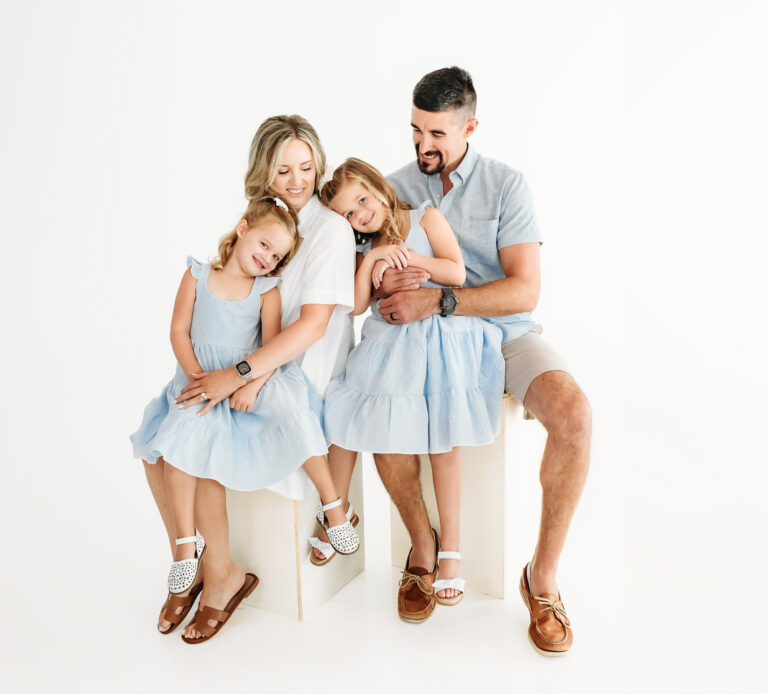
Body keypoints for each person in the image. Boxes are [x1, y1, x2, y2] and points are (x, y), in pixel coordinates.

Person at [375, 67, 591, 653]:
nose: (423, 145)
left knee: (573, 415)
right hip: (422, 342)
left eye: (437, 134)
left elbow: (524, 291)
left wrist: (443, 300)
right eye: (416, 131)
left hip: (504, 333)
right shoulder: (392, 188)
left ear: (470, 127)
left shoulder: (506, 184)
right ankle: (424, 549)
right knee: (374, 401)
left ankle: (540, 581)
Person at [132, 196, 359, 643]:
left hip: (246, 376)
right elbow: (178, 329)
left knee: (295, 413)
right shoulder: (198, 274)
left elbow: (269, 348)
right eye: (264, 244)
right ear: (241, 228)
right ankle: (185, 549)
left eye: (277, 256)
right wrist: (198, 377)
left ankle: (334, 508)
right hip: (200, 380)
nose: (268, 258)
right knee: (176, 447)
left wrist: (249, 384)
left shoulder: (266, 290)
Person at [318, 158, 504, 609]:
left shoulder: (425, 216)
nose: (360, 215)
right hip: (390, 345)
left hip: (438, 338)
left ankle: (452, 552)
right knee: (342, 412)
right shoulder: (364, 249)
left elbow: (456, 273)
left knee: (443, 441)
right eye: (348, 214)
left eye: (362, 201)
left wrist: (411, 259)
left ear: (378, 189)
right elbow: (357, 306)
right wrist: (374, 262)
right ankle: (337, 513)